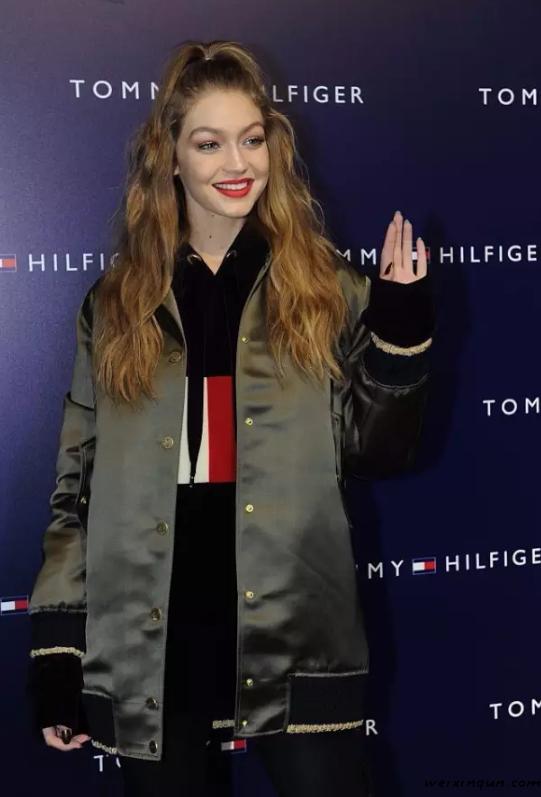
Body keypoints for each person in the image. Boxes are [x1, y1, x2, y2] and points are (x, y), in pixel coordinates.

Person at [26, 39, 435, 796]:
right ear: (171, 157)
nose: (237, 163)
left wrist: (398, 334)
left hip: (293, 628)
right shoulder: (115, 304)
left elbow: (376, 452)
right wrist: (59, 649)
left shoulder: (327, 290)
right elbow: (75, 487)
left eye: (251, 139)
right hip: (153, 638)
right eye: (209, 143)